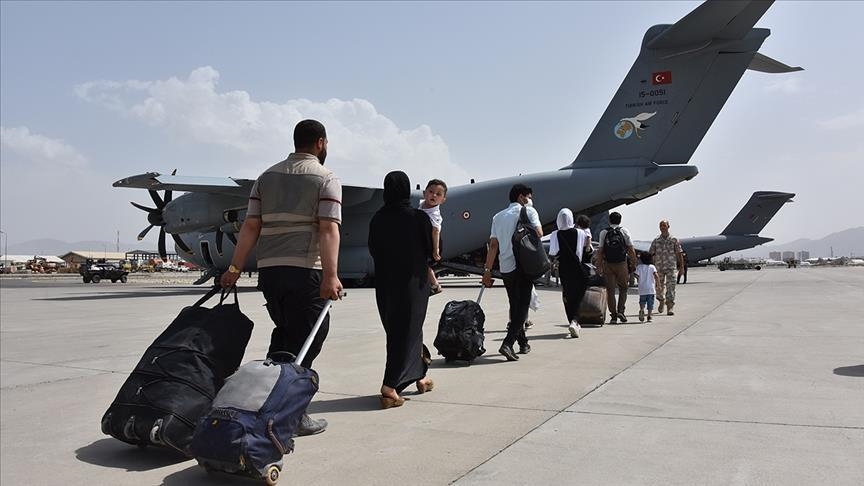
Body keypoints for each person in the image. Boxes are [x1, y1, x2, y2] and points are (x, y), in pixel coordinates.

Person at [220, 119, 342, 436]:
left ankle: (265, 402)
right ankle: (290, 414)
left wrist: (234, 268)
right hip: (306, 270)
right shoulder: (326, 178)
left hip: (271, 272)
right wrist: (331, 276)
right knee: (308, 340)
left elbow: (250, 226)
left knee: (286, 336)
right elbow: (329, 229)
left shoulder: (266, 178)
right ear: (321, 142)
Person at [368, 171, 435, 409]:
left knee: (405, 330)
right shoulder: (418, 218)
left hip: (386, 284)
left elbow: (373, 249)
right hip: (412, 284)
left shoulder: (377, 218)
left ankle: (420, 376)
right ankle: (389, 386)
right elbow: (433, 251)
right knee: (405, 332)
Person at [482, 184, 542, 361]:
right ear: (521, 197)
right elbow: (539, 234)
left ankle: (523, 343)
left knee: (515, 304)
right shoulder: (529, 212)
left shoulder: (498, 216)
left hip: (506, 267)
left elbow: (493, 245)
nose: (530, 200)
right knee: (522, 307)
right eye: (529, 197)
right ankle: (507, 343)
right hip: (524, 264)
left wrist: (487, 271)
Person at [548, 210, 592, 338]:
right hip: (577, 267)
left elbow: (553, 252)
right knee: (579, 293)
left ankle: (573, 320)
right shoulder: (580, 232)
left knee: (567, 295)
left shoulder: (555, 234)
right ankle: (575, 320)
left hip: (564, 268)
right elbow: (587, 249)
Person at [595, 211, 637, 324]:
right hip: (622, 264)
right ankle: (621, 311)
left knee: (610, 291)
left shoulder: (604, 232)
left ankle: (613, 316)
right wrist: (634, 263)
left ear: (609, 220)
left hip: (608, 264)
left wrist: (599, 266)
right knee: (623, 288)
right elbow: (631, 249)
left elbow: (600, 251)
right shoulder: (624, 231)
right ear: (620, 220)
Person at [649, 219, 684, 315]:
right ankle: (661, 300)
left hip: (671, 267)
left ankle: (670, 306)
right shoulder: (656, 240)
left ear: (668, 226)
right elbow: (651, 253)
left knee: (671, 287)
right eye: (661, 225)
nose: (662, 227)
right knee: (658, 287)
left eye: (664, 225)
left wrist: (681, 267)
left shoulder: (674, 239)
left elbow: (679, 253)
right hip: (659, 267)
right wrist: (651, 267)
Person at [419, 179, 447, 295]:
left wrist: (436, 250)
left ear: (443, 200)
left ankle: (435, 285)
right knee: (422, 264)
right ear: (424, 193)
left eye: (438, 194)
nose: (434, 195)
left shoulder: (434, 214)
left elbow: (435, 231)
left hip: (433, 242)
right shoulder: (422, 204)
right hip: (423, 240)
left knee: (423, 263)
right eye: (431, 192)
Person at [634, 252, 659, 322]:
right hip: (650, 289)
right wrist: (658, 285)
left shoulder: (639, 267)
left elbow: (636, 275)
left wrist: (639, 279)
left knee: (642, 301)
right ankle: (649, 316)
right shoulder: (652, 267)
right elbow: (656, 276)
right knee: (650, 303)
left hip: (642, 288)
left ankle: (642, 309)